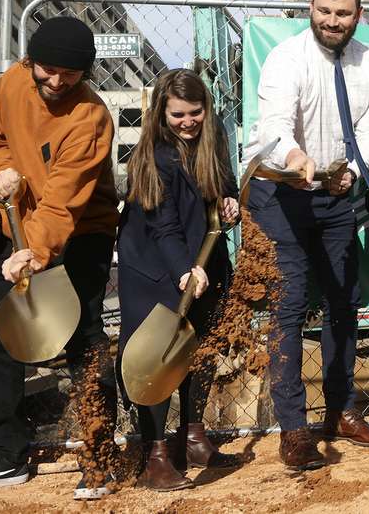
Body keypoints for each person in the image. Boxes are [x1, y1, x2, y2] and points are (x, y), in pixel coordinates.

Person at [244, 0, 369, 472]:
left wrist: (351, 171)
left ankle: (341, 412)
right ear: (311, 8)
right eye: (324, 11)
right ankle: (294, 429)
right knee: (287, 309)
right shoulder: (287, 57)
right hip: (280, 191)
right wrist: (294, 155)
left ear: (358, 15)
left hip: (334, 193)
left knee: (344, 302)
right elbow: (273, 126)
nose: (332, 21)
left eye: (343, 13)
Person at [0, 17, 120, 499]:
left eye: (71, 75)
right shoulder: (12, 83)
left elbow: (63, 201)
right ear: (29, 62)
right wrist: (1, 171)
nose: (57, 82)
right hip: (17, 224)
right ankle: (5, 455)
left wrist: (32, 254)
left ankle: (100, 458)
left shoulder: (91, 117)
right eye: (48, 70)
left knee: (83, 336)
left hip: (82, 232)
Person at [117, 69, 241, 489]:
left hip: (202, 258)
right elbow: (162, 226)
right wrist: (184, 271)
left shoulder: (212, 136)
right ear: (161, 113)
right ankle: (154, 454)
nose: (188, 122)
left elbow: (225, 181)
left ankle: (192, 435)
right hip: (156, 266)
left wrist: (229, 199)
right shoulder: (154, 155)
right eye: (178, 115)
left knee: (198, 350)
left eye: (196, 112)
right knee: (158, 355)